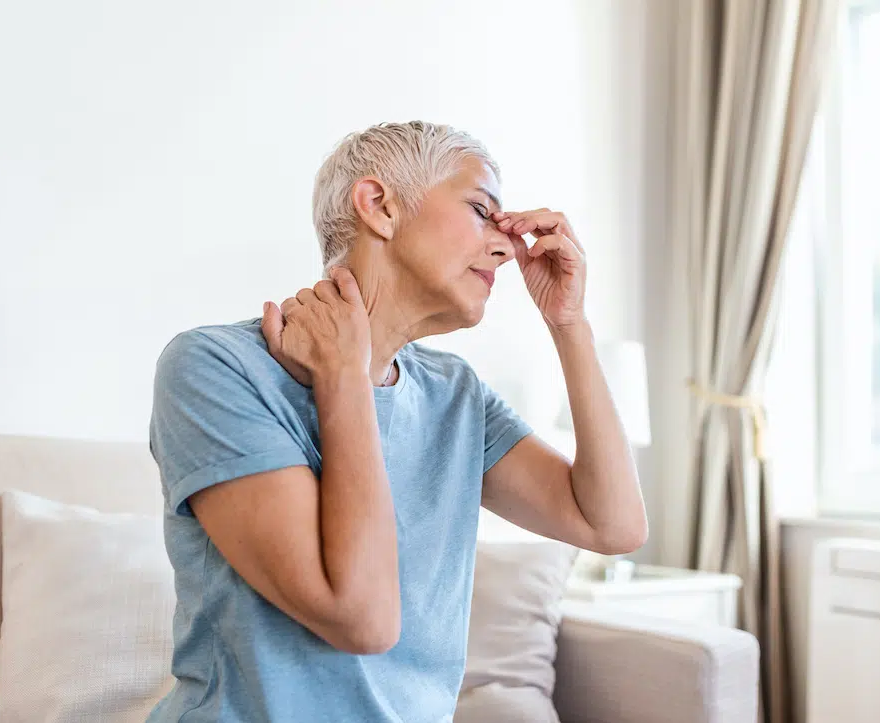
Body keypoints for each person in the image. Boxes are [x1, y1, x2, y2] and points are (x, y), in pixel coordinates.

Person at [146, 121, 648, 723]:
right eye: (480, 210)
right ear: (379, 206)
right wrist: (345, 379)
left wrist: (569, 323)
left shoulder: (454, 393)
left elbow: (612, 525)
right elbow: (362, 619)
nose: (508, 247)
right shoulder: (215, 367)